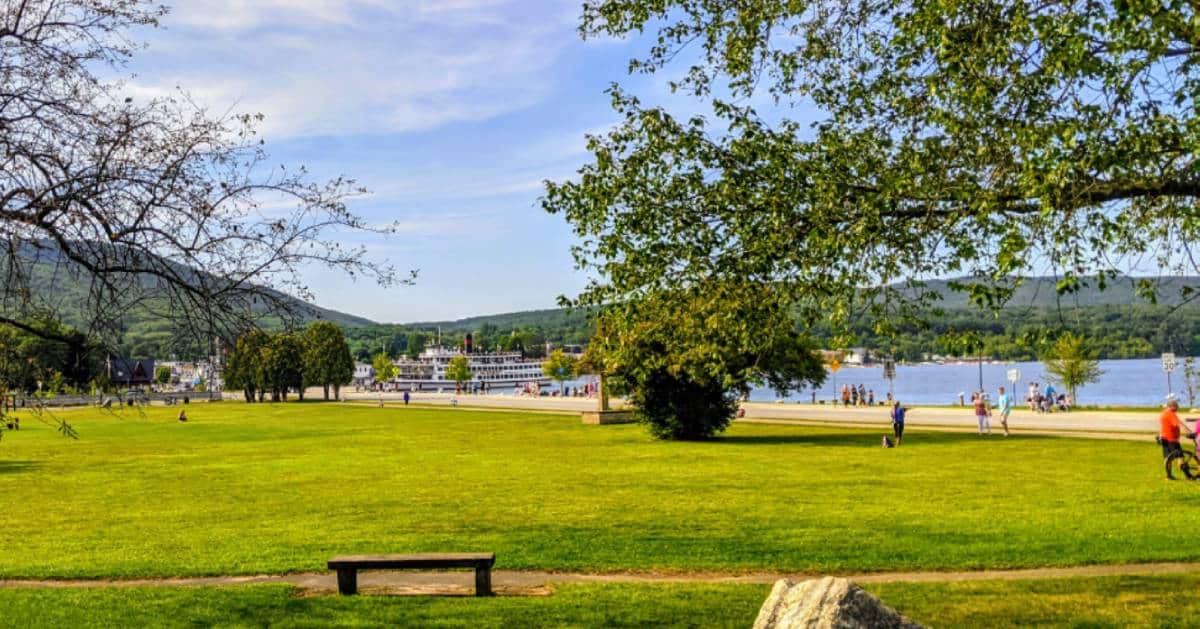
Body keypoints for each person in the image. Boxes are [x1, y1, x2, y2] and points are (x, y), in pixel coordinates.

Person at [1159, 399, 1195, 479]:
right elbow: (1179, 424)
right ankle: (1188, 476)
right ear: (1172, 406)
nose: (1178, 408)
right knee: (1180, 457)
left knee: (1167, 458)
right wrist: (1189, 432)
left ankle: (1168, 476)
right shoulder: (1171, 414)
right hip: (1172, 439)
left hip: (1164, 438)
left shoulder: (1164, 413)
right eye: (1177, 406)